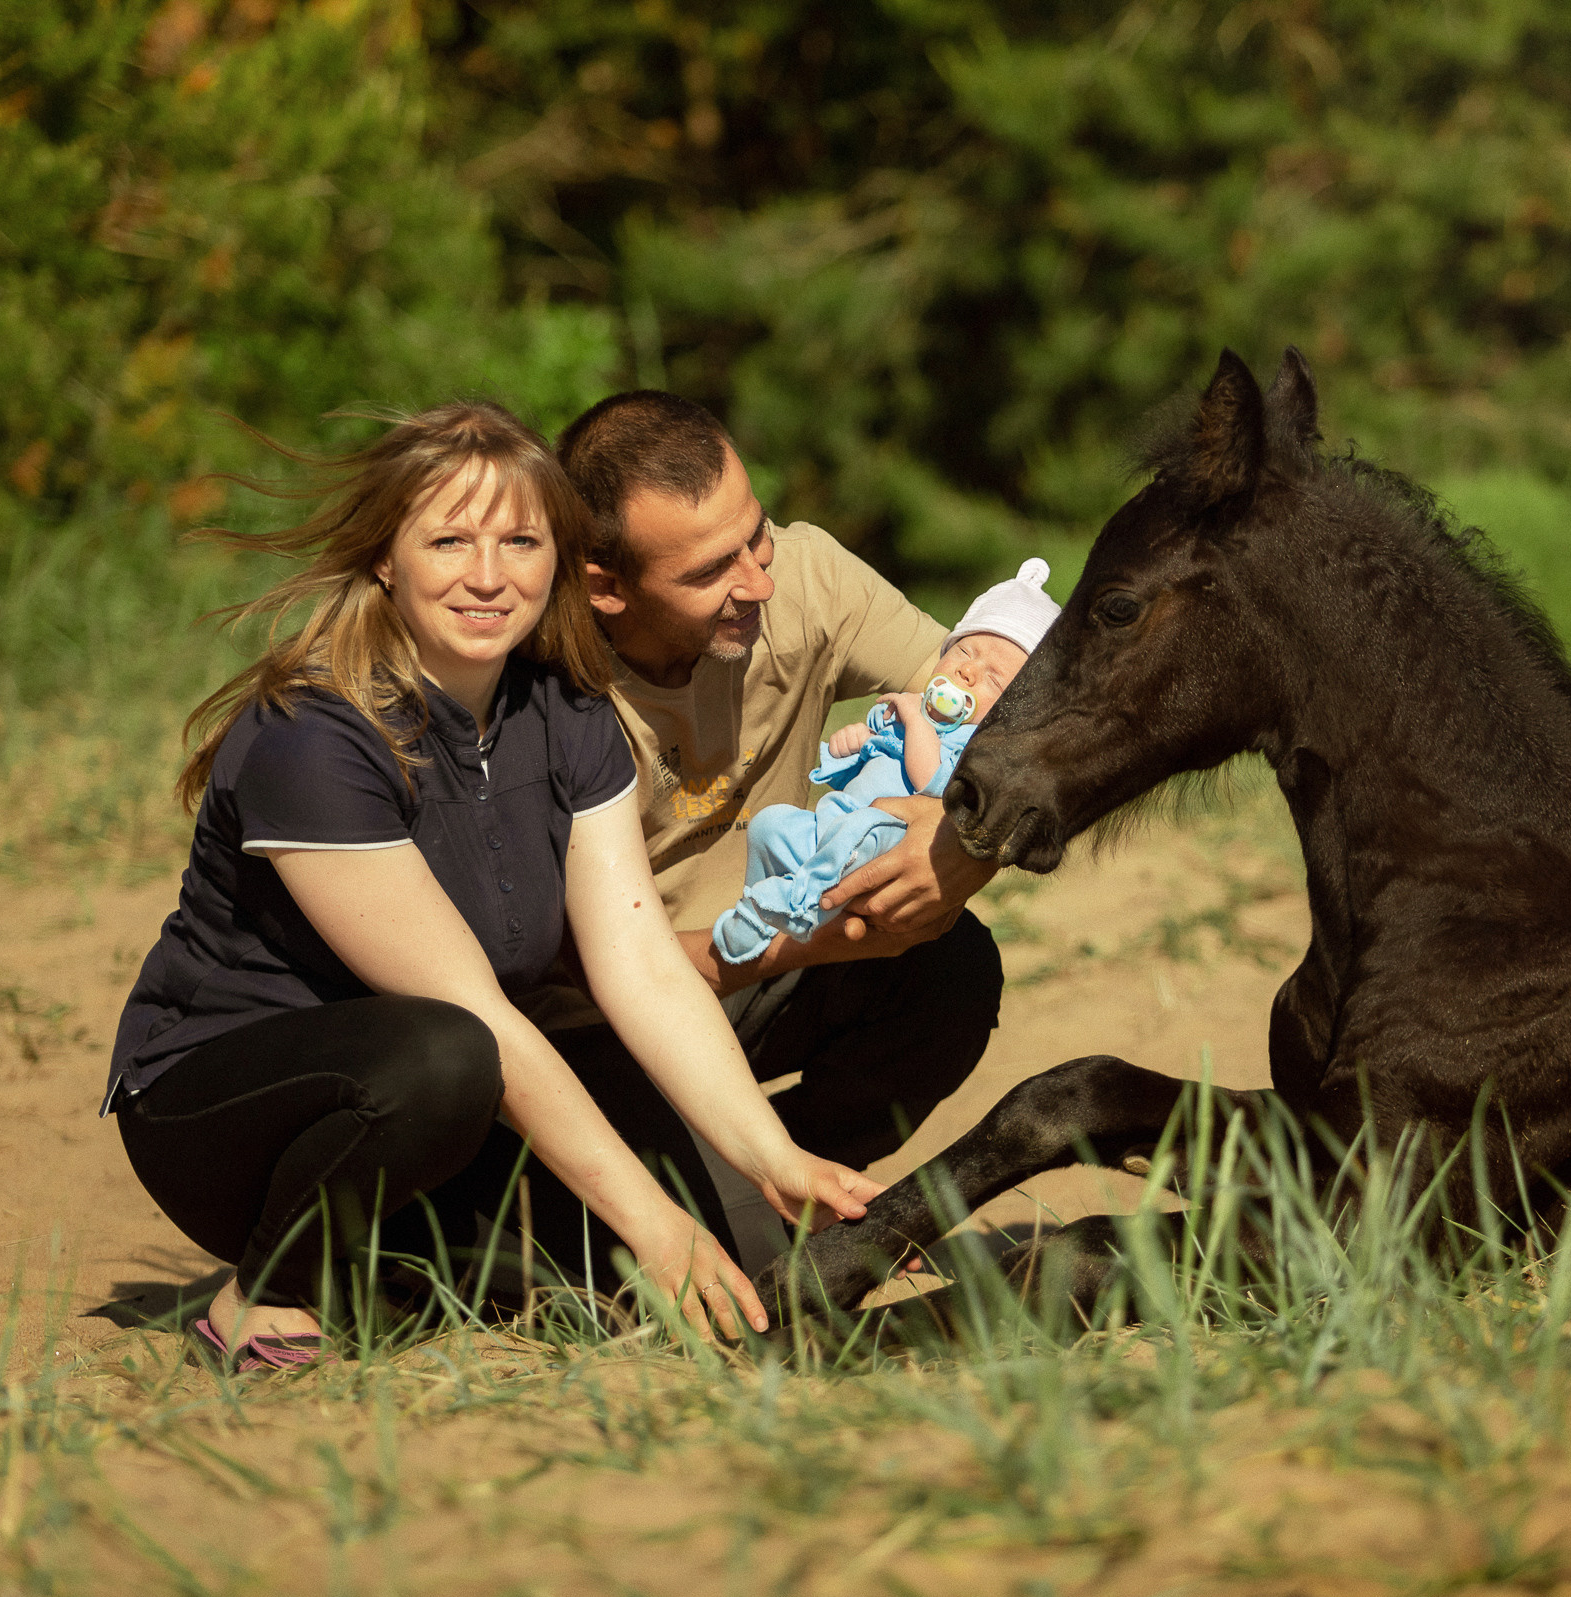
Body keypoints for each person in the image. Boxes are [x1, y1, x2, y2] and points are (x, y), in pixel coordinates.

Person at [102, 401, 880, 1369]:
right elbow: (471, 1014)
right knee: (448, 1054)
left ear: (561, 559)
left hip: (456, 1096)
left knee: (747, 1266)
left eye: (521, 540)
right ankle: (270, 1289)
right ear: (387, 555)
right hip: (236, 1113)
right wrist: (655, 1226)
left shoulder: (566, 703)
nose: (488, 575)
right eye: (450, 539)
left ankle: (403, 1270)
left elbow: (635, 960)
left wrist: (771, 1157)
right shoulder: (311, 736)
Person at [544, 391, 1009, 1266]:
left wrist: (958, 844)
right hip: (602, 1025)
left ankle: (788, 1172)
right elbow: (579, 968)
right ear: (605, 586)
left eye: (754, 535)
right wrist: (806, 945)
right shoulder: (549, 692)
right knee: (742, 1275)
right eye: (710, 571)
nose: (758, 581)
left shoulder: (806, 577)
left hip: (761, 974)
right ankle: (676, 1199)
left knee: (952, 972)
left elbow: (1001, 720)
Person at [714, 561, 1058, 964]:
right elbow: (864, 766)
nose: (967, 670)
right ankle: (756, 915)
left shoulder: (976, 745)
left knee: (863, 828)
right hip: (832, 825)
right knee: (769, 824)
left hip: (885, 839)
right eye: (964, 651)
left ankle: (801, 905)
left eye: (993, 679)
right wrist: (856, 743)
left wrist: (914, 721)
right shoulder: (909, 713)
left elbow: (932, 781)